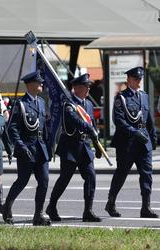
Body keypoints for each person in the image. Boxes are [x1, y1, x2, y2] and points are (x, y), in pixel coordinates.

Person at [45, 73, 101, 223]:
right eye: (85, 86)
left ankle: (88, 211)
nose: (88, 89)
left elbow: (92, 124)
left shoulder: (88, 104)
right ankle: (52, 206)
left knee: (91, 177)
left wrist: (97, 143)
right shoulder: (69, 105)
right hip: (70, 146)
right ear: (76, 88)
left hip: (84, 147)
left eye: (89, 86)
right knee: (65, 178)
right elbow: (77, 121)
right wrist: (91, 130)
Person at [105, 66, 158, 218]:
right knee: (121, 174)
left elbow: (149, 119)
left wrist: (153, 138)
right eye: (135, 79)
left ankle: (145, 207)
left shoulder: (144, 96)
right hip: (127, 143)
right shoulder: (121, 97)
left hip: (144, 142)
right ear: (128, 80)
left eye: (140, 79)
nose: (138, 81)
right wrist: (134, 133)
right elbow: (119, 120)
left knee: (147, 175)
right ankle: (111, 202)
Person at [2, 71, 51, 226]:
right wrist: (21, 146)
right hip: (27, 149)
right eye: (39, 82)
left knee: (44, 180)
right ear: (31, 85)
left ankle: (38, 215)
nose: (41, 84)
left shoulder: (41, 102)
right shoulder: (20, 104)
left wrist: (49, 145)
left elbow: (44, 127)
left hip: (40, 149)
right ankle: (7, 206)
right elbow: (12, 128)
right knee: (22, 180)